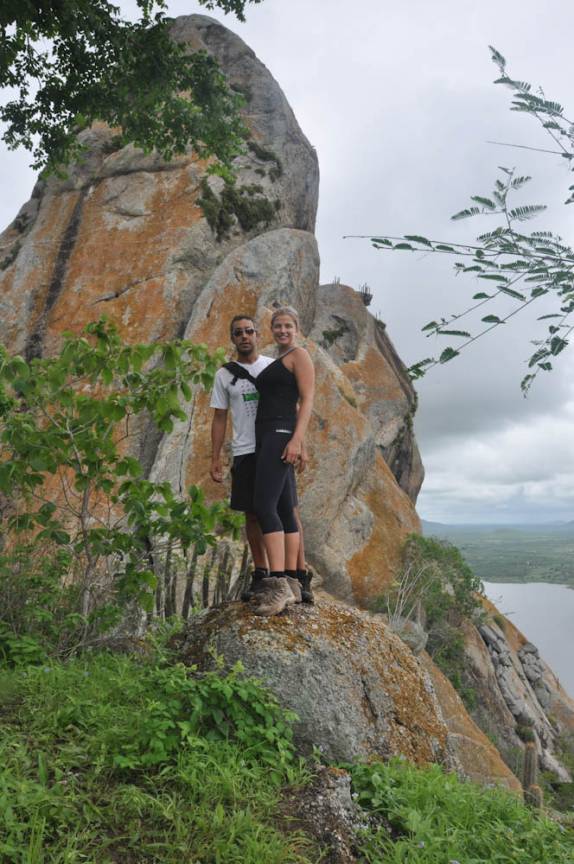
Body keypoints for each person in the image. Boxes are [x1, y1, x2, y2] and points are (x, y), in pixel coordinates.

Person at [209, 314, 312, 608]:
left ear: (257, 334)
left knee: (285, 507)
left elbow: (295, 402)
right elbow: (219, 418)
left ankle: (296, 575)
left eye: (249, 331)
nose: (244, 336)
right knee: (252, 513)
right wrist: (215, 456)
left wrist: (300, 442)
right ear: (232, 338)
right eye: (238, 332)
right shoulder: (224, 375)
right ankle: (262, 573)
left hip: (276, 442)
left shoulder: (274, 365)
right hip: (245, 448)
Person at [250, 306, 315, 616]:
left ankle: (276, 583)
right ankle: (293, 581)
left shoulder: (299, 355)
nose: (282, 331)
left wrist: (297, 439)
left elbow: (307, 400)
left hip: (279, 433)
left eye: (288, 325)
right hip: (269, 434)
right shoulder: (278, 360)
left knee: (264, 506)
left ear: (297, 328)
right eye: (277, 326)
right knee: (284, 508)